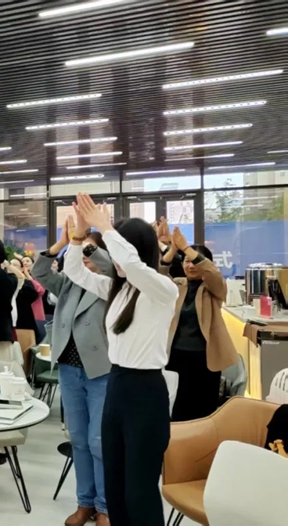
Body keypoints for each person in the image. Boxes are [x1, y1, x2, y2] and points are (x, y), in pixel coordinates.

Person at [62, 194, 178, 526]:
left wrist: (106, 229)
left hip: (146, 392)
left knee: (139, 490)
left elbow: (135, 266)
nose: (112, 260)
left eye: (116, 252)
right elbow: (74, 271)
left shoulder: (162, 289)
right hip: (117, 385)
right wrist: (78, 236)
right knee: (115, 484)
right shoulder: (118, 289)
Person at [32, 215, 114, 526]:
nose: (84, 257)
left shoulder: (110, 282)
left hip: (100, 369)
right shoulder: (68, 281)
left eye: (91, 251)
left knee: (98, 440)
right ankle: (85, 502)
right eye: (81, 250)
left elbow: (113, 269)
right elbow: (40, 271)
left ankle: (105, 506)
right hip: (69, 367)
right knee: (78, 437)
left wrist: (88, 245)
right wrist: (63, 244)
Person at [159, 222, 237, 422]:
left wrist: (186, 248)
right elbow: (158, 276)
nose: (190, 266)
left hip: (205, 358)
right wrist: (172, 250)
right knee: (177, 406)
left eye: (194, 261)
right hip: (176, 355)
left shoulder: (214, 288)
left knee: (203, 409)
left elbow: (212, 273)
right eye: (186, 261)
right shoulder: (177, 285)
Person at [22, 256, 47, 342]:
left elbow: (40, 290)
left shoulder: (37, 277)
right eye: (23, 261)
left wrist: (28, 275)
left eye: (27, 261)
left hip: (36, 315)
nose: (25, 263)